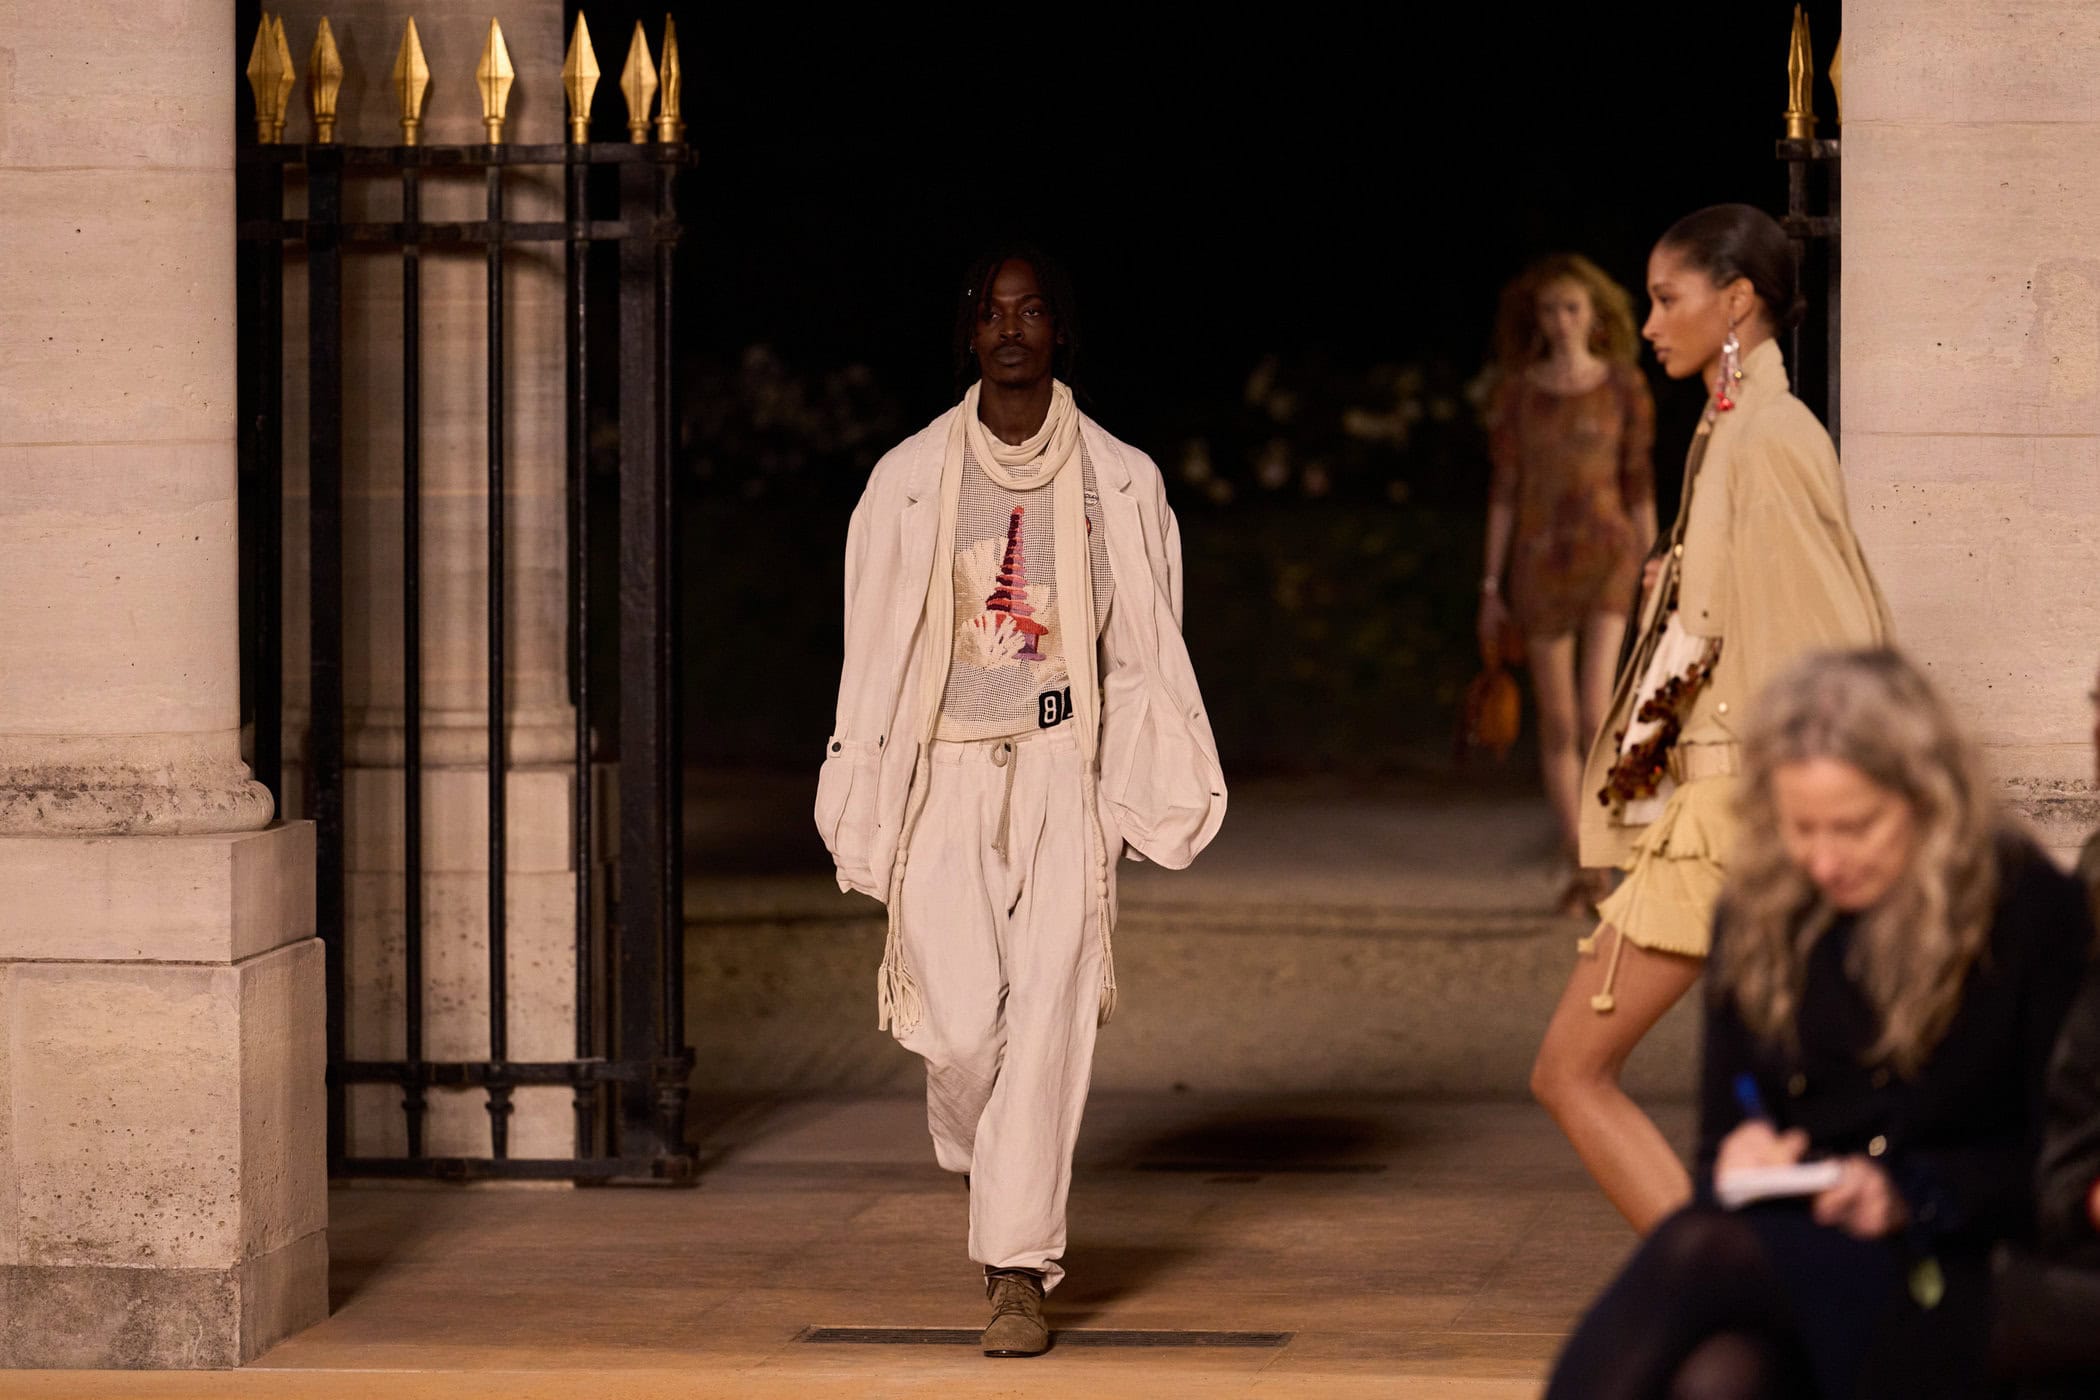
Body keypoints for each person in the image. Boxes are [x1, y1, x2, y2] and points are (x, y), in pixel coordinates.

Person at [815, 245, 1226, 1357]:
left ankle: (1015, 1271)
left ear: (1059, 333)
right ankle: (985, 1146)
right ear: (968, 333)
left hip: (1061, 772)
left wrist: (1127, 786)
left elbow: (1146, 647)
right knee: (956, 1029)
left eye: (1032, 309)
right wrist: (865, 786)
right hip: (947, 770)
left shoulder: (1119, 478)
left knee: (1045, 1026)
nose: (1011, 328)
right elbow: (869, 651)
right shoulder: (907, 477)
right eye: (993, 311)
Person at [1544, 649, 2096, 1400]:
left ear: (1926, 798)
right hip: (1796, 1247)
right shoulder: (1760, 912)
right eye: (1802, 829)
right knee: (1720, 1376)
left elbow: (2048, 1164)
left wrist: (1908, 1196)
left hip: (1964, 1255)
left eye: (1855, 826)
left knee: (1702, 1258)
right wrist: (1741, 1166)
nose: (1826, 859)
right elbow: (1719, 1149)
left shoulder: (2024, 906)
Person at [1530, 204, 1894, 1233]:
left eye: (1665, 297)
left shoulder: (1769, 438)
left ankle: (1740, 1296)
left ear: (1735, 300)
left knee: (1571, 1070)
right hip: (1722, 815)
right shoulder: (1737, 427)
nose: (1647, 323)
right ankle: (1760, 1296)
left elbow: (1837, 646)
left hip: (1739, 822)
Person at [1477, 254, 1658, 916]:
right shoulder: (1520, 393)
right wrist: (1490, 583)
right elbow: (1503, 490)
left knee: (1596, 712)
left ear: (1595, 313)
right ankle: (1582, 858)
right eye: (1551, 309)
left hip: (1608, 555)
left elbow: (1638, 482)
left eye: (1573, 307)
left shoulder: (1622, 388)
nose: (1562, 320)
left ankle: (1601, 857)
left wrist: (1655, 562)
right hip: (1539, 562)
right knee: (1557, 722)